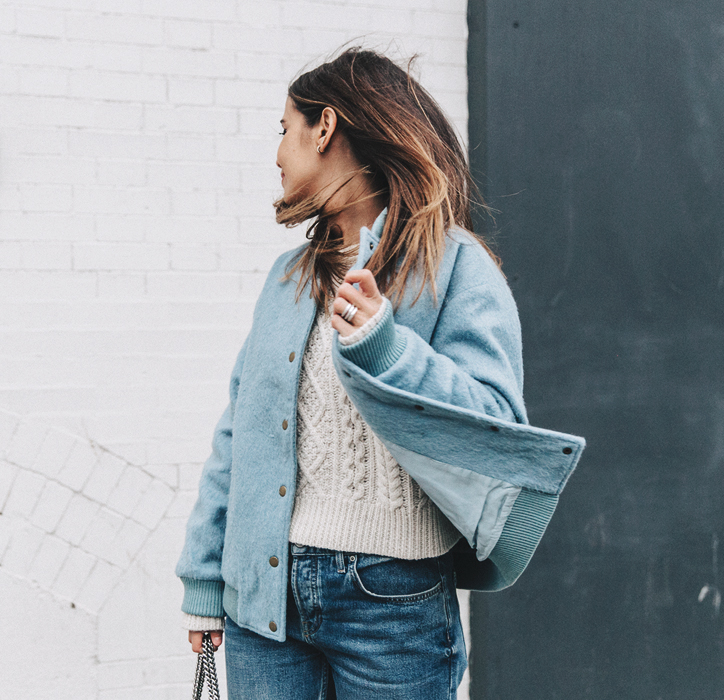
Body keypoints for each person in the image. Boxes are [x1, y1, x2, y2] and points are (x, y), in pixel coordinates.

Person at [175, 47, 585, 699]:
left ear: (327, 127)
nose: (278, 152)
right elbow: (238, 438)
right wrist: (204, 579)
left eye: (285, 129)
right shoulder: (287, 280)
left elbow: (495, 425)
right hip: (263, 601)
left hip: (392, 602)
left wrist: (386, 349)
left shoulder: (456, 268)